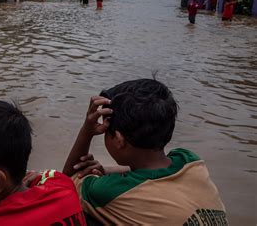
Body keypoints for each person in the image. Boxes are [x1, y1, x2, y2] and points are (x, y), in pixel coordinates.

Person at [63, 79, 228, 225]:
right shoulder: (189, 160)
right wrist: (106, 171)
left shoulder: (109, 192)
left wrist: (87, 130)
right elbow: (149, 174)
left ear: (119, 140)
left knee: (82, 213)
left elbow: (67, 183)